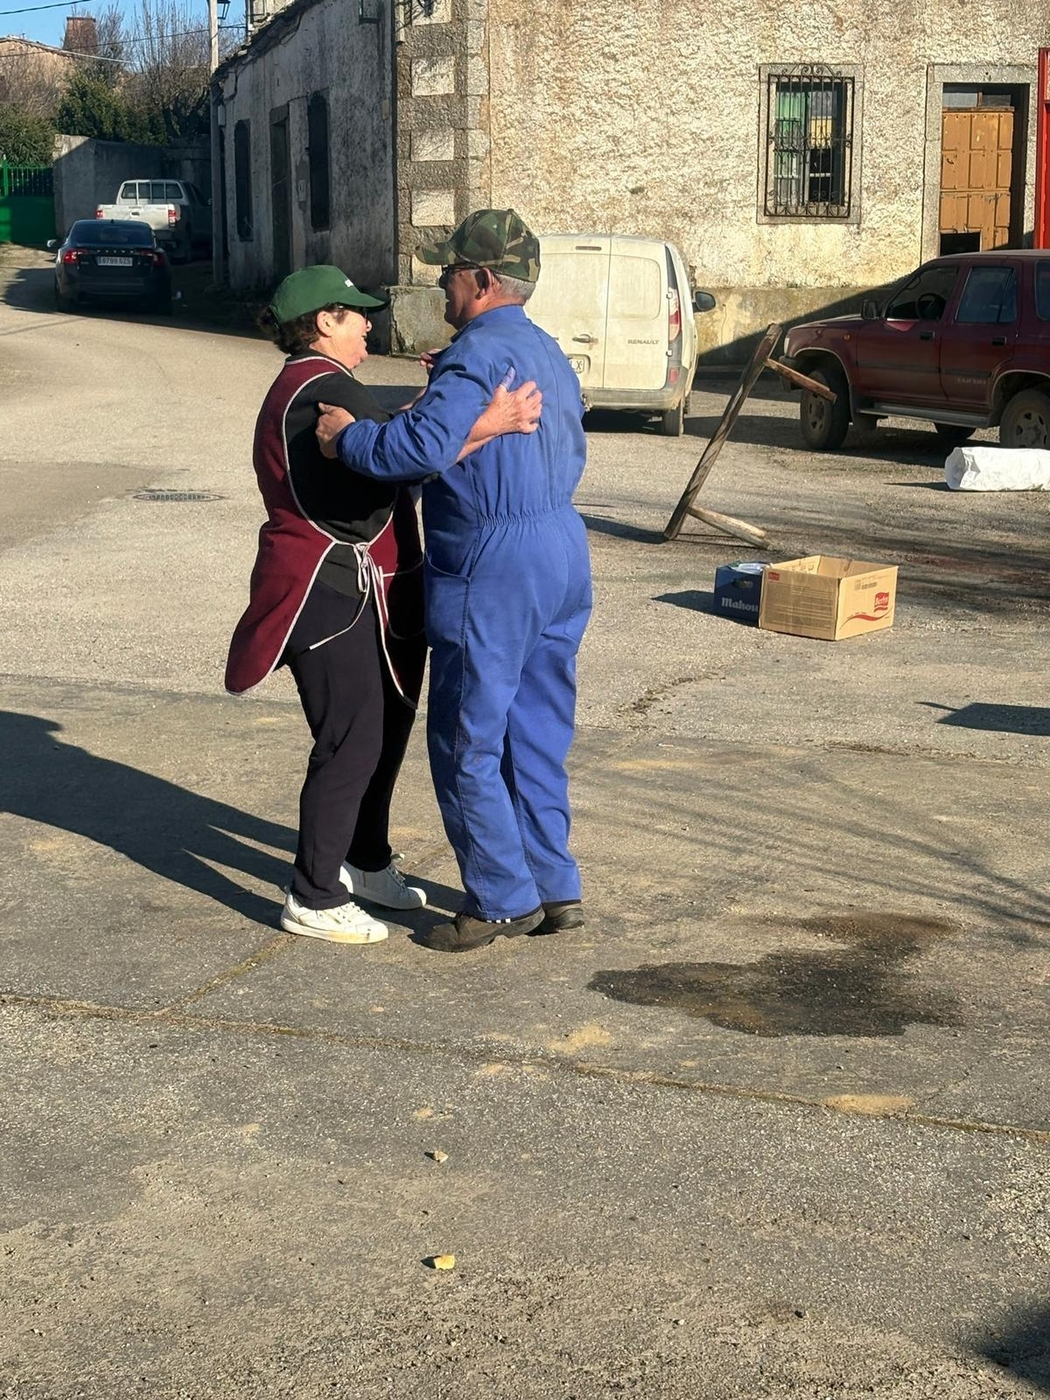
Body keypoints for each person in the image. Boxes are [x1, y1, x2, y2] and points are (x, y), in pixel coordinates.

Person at [225, 264, 542, 945]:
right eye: (355, 314)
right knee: (352, 740)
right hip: (328, 591)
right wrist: (490, 422)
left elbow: (392, 443)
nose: (369, 324)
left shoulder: (320, 382)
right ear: (323, 322)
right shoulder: (322, 387)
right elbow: (407, 461)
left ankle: (365, 862)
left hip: (360, 592)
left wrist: (432, 412)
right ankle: (313, 894)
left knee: (386, 729)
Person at [316, 210, 592, 954]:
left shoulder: (475, 355)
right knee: (537, 728)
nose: (441, 284)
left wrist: (349, 439)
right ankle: (553, 883)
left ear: (483, 280)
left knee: (469, 734)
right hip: (561, 548)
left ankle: (500, 898)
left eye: (449, 273)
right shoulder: (544, 349)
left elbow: (419, 449)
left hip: (493, 557)